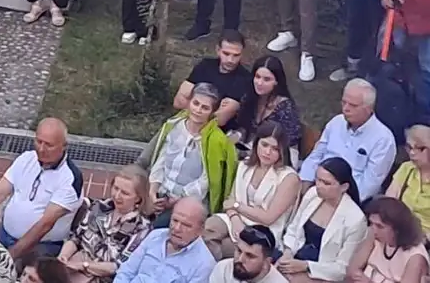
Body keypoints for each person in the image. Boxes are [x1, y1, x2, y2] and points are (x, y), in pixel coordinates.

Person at [0, 118, 82, 260]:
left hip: (41, 245)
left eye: (49, 145)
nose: (41, 149)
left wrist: (11, 255)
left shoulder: (70, 178)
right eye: (38, 141)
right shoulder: (26, 158)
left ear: (64, 146)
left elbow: (44, 225)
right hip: (4, 234)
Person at [140, 83, 238, 222]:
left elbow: (206, 181)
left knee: (161, 225)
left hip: (190, 201)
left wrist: (177, 199)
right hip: (162, 192)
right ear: (189, 102)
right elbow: (161, 160)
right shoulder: (174, 125)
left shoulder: (217, 141)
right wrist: (153, 189)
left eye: (205, 108)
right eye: (195, 103)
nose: (198, 110)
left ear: (212, 112)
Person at [205, 123, 300, 259]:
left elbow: (268, 218)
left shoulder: (289, 178)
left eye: (274, 149)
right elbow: (229, 200)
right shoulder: (245, 165)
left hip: (262, 231)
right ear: (256, 143)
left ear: (282, 151)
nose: (267, 152)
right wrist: (235, 219)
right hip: (235, 219)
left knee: (223, 247)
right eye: (264, 145)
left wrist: (237, 206)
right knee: (209, 228)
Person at [299, 79, 396, 203]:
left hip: (350, 199)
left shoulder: (383, 139)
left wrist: (336, 200)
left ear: (369, 108)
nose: (345, 109)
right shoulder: (336, 122)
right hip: (318, 186)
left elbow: (369, 185)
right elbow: (316, 156)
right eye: (344, 102)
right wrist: (304, 184)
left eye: (353, 105)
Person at [57, 166, 152, 283]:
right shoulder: (98, 207)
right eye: (116, 188)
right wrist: (63, 257)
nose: (117, 196)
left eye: (125, 193)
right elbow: (76, 238)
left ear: (138, 198)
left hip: (102, 277)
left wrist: (83, 265)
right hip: (73, 265)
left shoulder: (142, 227)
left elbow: (119, 266)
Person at [278, 158, 366, 283]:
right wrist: (288, 253)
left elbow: (341, 268)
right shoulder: (312, 194)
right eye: (318, 179)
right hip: (296, 258)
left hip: (322, 274)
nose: (319, 186)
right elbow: (294, 229)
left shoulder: (356, 219)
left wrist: (305, 266)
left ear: (344, 187)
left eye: (326, 183)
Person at [112, 198, 214, 283]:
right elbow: (126, 271)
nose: (177, 228)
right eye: (175, 220)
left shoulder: (204, 265)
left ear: (200, 230)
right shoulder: (155, 236)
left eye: (186, 225)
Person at [174, 32, 251, 130]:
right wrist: (211, 111)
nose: (230, 60)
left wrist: (192, 104)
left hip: (215, 131)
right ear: (218, 50)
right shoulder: (205, 65)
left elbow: (220, 119)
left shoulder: (244, 78)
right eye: (226, 54)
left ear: (242, 54)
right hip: (186, 124)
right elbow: (178, 102)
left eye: (236, 55)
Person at [347, 198, 430, 283]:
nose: (374, 230)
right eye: (371, 223)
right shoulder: (373, 236)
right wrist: (356, 276)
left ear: (397, 229)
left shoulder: (415, 257)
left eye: (380, 226)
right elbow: (352, 270)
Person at [231, 58, 302, 154]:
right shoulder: (250, 97)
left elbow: (290, 144)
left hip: (275, 153)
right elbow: (243, 127)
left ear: (276, 82)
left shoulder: (285, 108)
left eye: (266, 79)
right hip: (251, 147)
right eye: (257, 77)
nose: (259, 83)